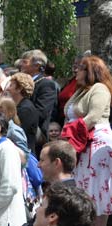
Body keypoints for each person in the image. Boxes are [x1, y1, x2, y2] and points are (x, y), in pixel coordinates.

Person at [65, 55, 112, 225]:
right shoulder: (81, 90)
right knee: (83, 187)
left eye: (81, 67)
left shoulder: (99, 88)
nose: (76, 70)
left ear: (91, 71)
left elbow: (93, 116)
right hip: (80, 141)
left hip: (95, 141)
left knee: (96, 188)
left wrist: (70, 132)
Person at [21, 50, 57, 149]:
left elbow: (42, 112)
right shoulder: (23, 84)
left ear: (36, 65)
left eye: (25, 62)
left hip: (34, 136)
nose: (21, 64)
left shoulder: (45, 84)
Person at [6, 72, 39, 155]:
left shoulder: (26, 109)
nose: (7, 89)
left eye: (11, 85)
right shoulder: (18, 106)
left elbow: (19, 134)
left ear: (19, 88)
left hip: (23, 155)